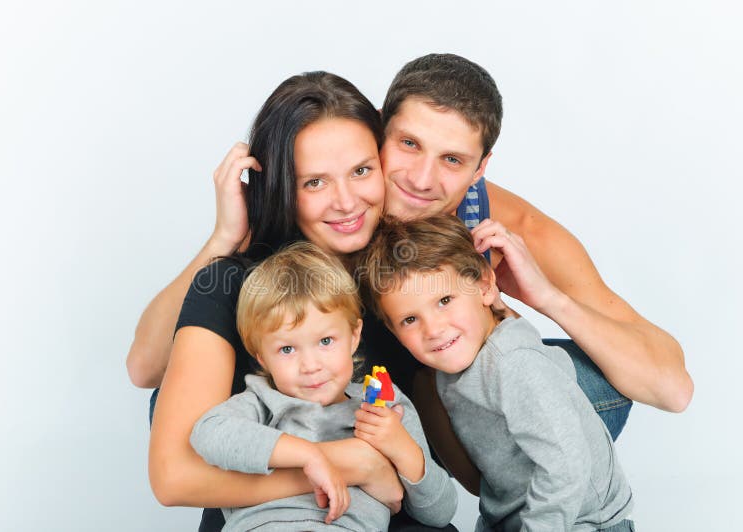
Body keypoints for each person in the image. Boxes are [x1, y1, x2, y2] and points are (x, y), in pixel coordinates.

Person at [146, 71, 454, 530]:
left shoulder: (407, 278)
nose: (347, 202)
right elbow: (173, 478)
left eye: (361, 171)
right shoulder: (236, 285)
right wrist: (350, 464)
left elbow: (446, 484)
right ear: (282, 189)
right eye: (314, 183)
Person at [357, 214, 635, 531]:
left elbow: (566, 465)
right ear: (394, 332)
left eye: (445, 300)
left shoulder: (513, 363)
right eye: (409, 320)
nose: (433, 329)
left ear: (485, 287)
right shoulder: (453, 366)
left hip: (580, 523)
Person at [190, 241, 456, 530]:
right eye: (287, 349)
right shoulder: (261, 402)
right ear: (262, 358)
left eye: (326, 341)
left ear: (354, 336)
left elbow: (440, 513)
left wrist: (403, 449)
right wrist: (308, 456)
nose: (310, 366)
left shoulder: (383, 408)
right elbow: (208, 431)